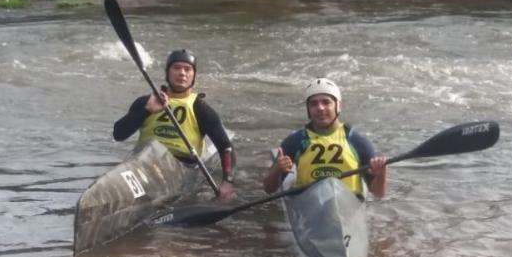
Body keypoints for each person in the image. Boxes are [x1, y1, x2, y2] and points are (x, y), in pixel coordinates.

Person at [113, 49, 235, 200]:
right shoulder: (146, 102)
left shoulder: (200, 108)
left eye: (187, 69)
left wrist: (227, 182)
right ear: (167, 73)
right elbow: (118, 134)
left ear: (193, 76)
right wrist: (146, 111)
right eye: (176, 68)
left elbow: (225, 148)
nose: (182, 73)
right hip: (144, 163)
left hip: (181, 167)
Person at [263, 77, 387, 199]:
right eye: (314, 104)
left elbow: (378, 193)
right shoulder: (295, 141)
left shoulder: (358, 142)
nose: (320, 108)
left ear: (338, 106)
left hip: (348, 206)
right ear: (308, 110)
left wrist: (381, 174)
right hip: (309, 204)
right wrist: (277, 170)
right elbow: (269, 189)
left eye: (326, 102)